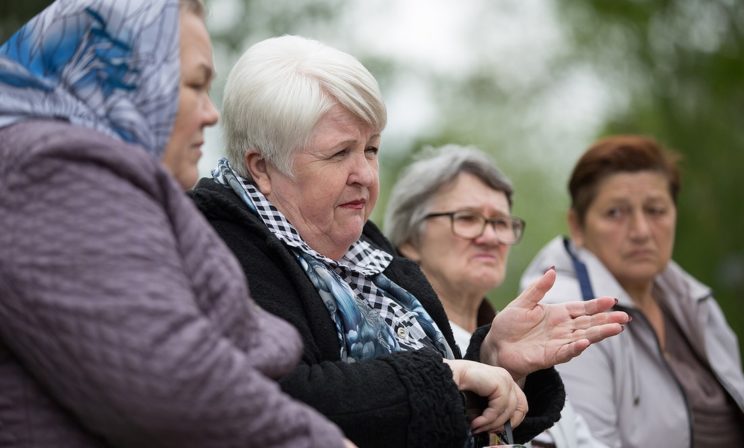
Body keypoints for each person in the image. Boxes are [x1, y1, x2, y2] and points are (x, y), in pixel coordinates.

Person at [189, 35, 629, 448]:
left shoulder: (371, 254)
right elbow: (282, 399)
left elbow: (439, 406)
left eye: (372, 150)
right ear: (262, 168)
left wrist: (495, 358)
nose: (364, 173)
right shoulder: (219, 245)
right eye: (339, 153)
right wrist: (452, 376)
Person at [0, 1, 351, 446]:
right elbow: (165, 378)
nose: (212, 113)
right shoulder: (53, 168)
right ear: (115, 76)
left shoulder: (78, 173)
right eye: (195, 85)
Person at [520, 135, 744, 447]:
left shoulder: (694, 301)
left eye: (656, 210)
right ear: (577, 226)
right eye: (616, 213)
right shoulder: (570, 318)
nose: (641, 231)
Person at [384, 144, 608, 448]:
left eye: (501, 223)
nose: (490, 237)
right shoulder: (390, 340)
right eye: (466, 218)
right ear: (410, 238)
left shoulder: (526, 344)